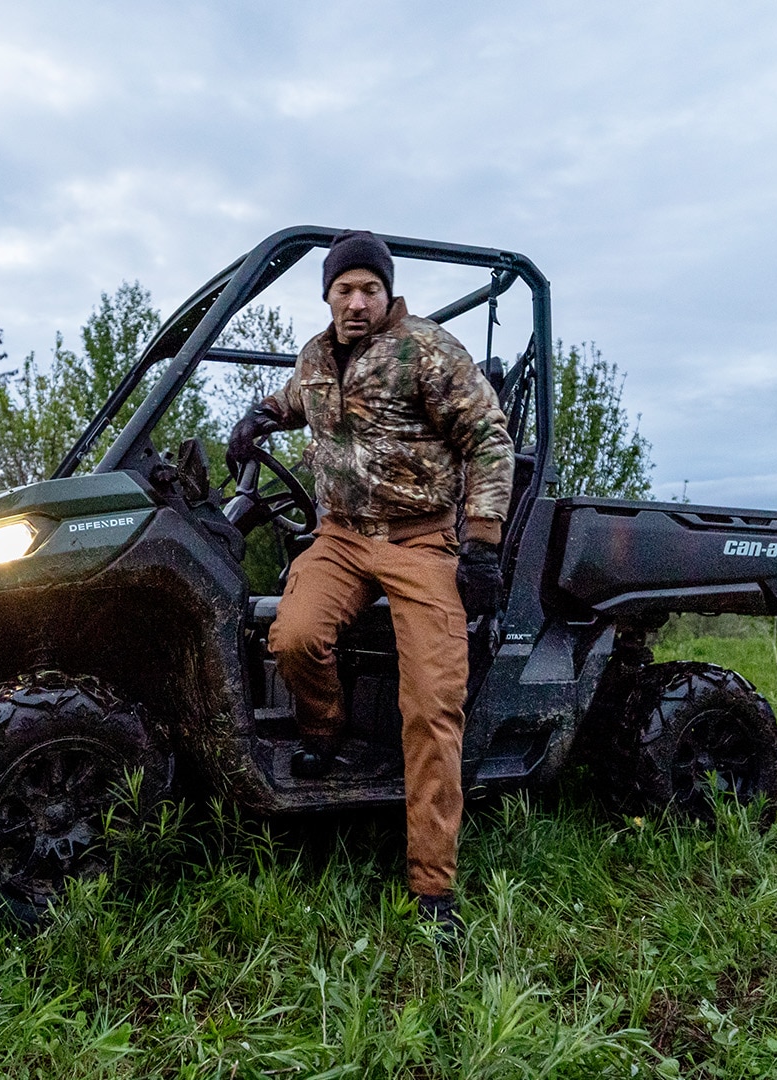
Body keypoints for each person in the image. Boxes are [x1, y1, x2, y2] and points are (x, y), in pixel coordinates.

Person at [227, 230, 514, 931]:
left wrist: (479, 544)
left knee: (433, 705)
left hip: (420, 541)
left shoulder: (428, 350)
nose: (357, 301)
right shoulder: (318, 356)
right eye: (343, 289)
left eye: (369, 289)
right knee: (292, 636)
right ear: (327, 296)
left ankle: (432, 888)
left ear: (386, 294)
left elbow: (488, 439)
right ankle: (325, 731)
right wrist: (259, 415)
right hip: (342, 536)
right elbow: (302, 396)